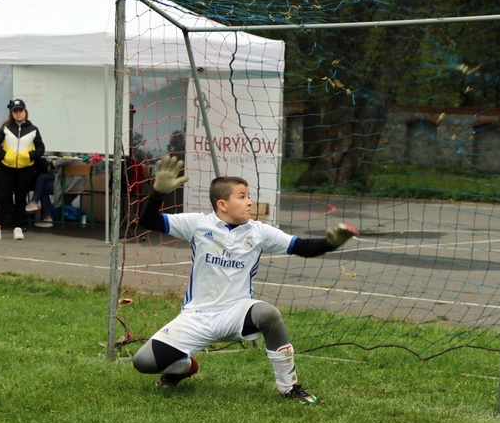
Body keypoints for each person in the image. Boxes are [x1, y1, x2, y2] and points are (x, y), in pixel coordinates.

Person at [132, 155, 358, 405]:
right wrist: (157, 193)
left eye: (249, 195)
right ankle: (185, 367)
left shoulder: (259, 232)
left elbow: (302, 247)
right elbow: (148, 221)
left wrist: (330, 243)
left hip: (236, 311)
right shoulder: (197, 224)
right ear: (222, 204)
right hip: (196, 316)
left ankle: (289, 387)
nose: (250, 202)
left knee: (268, 314)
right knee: (143, 362)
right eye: (242, 196)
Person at [0, 99, 46, 240]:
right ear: (12, 113)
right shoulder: (6, 127)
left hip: (25, 168)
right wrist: (2, 154)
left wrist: (31, 155)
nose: (18, 113)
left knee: (21, 198)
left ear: (25, 111)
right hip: (6, 167)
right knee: (3, 198)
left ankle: (18, 228)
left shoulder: (33, 129)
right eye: (15, 111)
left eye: (20, 110)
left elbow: (41, 148)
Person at [25, 156, 56, 227]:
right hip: (57, 179)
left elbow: (62, 162)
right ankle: (48, 218)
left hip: (61, 180)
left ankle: (33, 202)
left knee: (41, 178)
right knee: (42, 187)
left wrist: (53, 164)